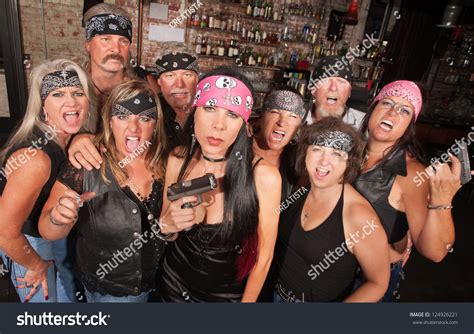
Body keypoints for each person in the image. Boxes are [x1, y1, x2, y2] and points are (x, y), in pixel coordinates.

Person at [156, 67, 282, 302]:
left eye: (232, 114)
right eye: (210, 108)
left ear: (244, 125)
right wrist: (167, 226)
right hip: (172, 286)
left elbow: (263, 259)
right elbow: (166, 227)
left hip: (224, 297)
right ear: (195, 111)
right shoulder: (177, 160)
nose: (218, 125)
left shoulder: (264, 176)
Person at [38, 80, 168, 303]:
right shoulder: (86, 163)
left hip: (161, 285)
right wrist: (59, 219)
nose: (133, 128)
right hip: (112, 293)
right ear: (109, 121)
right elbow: (47, 230)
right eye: (123, 116)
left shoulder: (167, 164)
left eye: (145, 118)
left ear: (156, 124)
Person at [353, 80, 461, 301]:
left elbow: (436, 252)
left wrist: (442, 198)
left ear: (409, 126)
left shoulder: (411, 173)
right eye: (387, 103)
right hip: (335, 270)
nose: (393, 112)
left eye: (404, 110)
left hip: (367, 279)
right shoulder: (352, 151)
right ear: (373, 108)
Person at [0, 59, 92, 302]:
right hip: (22, 240)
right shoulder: (35, 159)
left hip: (47, 233)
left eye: (77, 93)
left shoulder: (65, 138)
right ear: (43, 106)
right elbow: (4, 232)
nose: (71, 101)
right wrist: (36, 264)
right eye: (58, 94)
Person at [273, 117, 390, 302]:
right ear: (305, 154)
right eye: (317, 149)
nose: (324, 162)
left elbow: (378, 283)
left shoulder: (358, 216)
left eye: (337, 153)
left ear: (349, 163)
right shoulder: (302, 187)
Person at [251, 86, 306, 200]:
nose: (282, 122)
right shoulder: (239, 148)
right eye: (275, 112)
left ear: (299, 125)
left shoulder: (299, 160)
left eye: (293, 116)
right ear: (262, 116)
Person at [83, 3, 134, 112]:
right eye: (106, 39)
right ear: (88, 44)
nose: (116, 49)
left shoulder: (139, 91)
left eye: (124, 41)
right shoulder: (71, 88)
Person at [154, 52, 199, 150]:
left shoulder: (210, 111)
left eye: (187, 75)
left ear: (197, 79)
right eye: (170, 76)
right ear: (159, 82)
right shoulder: (150, 114)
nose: (179, 84)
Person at [308, 56, 365, 129]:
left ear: (349, 92)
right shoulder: (296, 118)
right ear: (313, 90)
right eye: (325, 81)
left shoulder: (363, 124)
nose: (333, 88)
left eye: (341, 82)